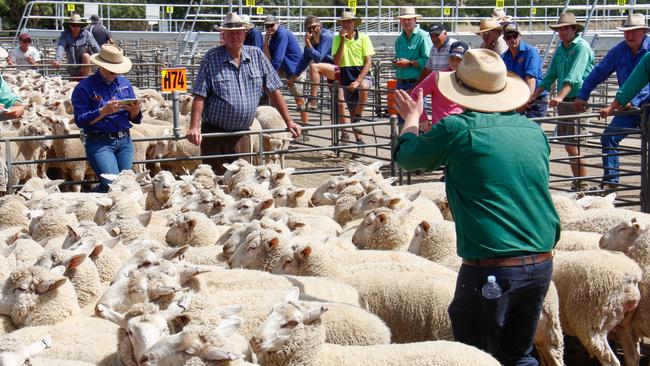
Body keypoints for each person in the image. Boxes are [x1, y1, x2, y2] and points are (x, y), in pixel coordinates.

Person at [393, 48, 559, 366]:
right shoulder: (533, 131)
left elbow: (408, 156)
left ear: (460, 88)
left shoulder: (457, 128)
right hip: (539, 262)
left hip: (492, 265)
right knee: (518, 354)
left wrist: (412, 119)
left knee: (475, 357)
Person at [187, 12, 301, 175]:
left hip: (242, 133)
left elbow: (274, 90)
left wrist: (289, 121)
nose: (235, 36)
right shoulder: (211, 58)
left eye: (239, 32)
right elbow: (200, 95)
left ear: (245, 33)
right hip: (215, 133)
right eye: (230, 33)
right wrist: (194, 127)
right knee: (214, 184)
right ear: (223, 35)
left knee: (243, 182)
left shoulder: (257, 56)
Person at [575, 14, 650, 191]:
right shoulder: (619, 51)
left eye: (633, 32)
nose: (629, 36)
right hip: (627, 109)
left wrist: (633, 99)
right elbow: (599, 72)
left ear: (643, 32)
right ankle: (611, 183)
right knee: (609, 137)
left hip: (644, 106)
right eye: (626, 32)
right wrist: (583, 94)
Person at [530, 13, 595, 192]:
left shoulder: (581, 48)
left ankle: (583, 184)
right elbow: (550, 75)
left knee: (574, 144)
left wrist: (558, 96)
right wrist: (534, 95)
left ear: (574, 29)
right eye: (560, 29)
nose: (562, 32)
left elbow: (573, 77)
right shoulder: (561, 48)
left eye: (566, 28)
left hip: (578, 101)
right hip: (566, 101)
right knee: (569, 145)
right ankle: (579, 182)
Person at [71, 44, 141, 193]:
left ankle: (90, 204)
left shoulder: (125, 84)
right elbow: (80, 120)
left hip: (124, 140)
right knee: (112, 185)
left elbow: (134, 118)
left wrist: (135, 111)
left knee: (125, 186)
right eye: (111, 70)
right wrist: (103, 111)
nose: (115, 74)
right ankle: (85, 204)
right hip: (99, 141)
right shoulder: (84, 87)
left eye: (117, 71)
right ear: (101, 66)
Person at [332, 11, 375, 146]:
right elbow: (337, 62)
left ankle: (359, 117)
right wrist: (343, 42)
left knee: (364, 87)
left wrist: (358, 79)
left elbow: (368, 62)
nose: (346, 24)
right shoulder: (337, 39)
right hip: (346, 74)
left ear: (354, 23)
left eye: (349, 21)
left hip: (361, 72)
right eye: (344, 21)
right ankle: (359, 140)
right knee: (351, 108)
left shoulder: (364, 38)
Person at [262, 15, 310, 129]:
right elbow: (268, 58)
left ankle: (306, 127)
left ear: (277, 23)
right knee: (274, 94)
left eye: (271, 25)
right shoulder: (272, 37)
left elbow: (278, 57)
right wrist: (265, 42)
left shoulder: (282, 34)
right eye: (267, 26)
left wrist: (270, 74)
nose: (269, 28)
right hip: (284, 69)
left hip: (295, 70)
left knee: (299, 98)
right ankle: (279, 124)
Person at [410, 40, 467, 132]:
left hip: (463, 128)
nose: (455, 62)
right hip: (442, 129)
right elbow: (415, 94)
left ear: (465, 60)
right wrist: (423, 119)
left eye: (459, 59)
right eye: (452, 58)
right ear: (448, 58)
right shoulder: (437, 76)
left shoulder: (470, 79)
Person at [393, 6, 432, 124]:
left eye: (409, 19)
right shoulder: (399, 40)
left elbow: (428, 61)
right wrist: (397, 62)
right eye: (404, 19)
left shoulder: (423, 36)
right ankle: (406, 141)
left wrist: (409, 63)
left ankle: (414, 141)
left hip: (416, 83)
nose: (406, 22)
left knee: (417, 118)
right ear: (400, 21)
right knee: (402, 118)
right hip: (401, 83)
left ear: (415, 20)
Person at [500, 22, 547, 118]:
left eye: (515, 35)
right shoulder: (504, 56)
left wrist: (525, 102)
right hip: (517, 100)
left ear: (520, 36)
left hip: (533, 100)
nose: (512, 39)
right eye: (508, 37)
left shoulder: (530, 52)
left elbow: (530, 78)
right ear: (504, 39)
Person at [292, 15, 334, 111]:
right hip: (329, 70)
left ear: (320, 26)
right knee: (338, 103)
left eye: (314, 27)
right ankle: (340, 125)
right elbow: (304, 60)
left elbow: (318, 58)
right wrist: (293, 77)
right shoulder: (311, 40)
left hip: (339, 68)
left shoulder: (327, 36)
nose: (313, 30)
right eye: (309, 28)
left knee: (314, 66)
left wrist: (308, 43)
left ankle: (313, 101)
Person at [53, 14, 100, 78]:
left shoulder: (87, 34)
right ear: (70, 26)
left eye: (78, 25)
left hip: (85, 68)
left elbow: (95, 47)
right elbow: (61, 47)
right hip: (72, 68)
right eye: (73, 25)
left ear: (81, 26)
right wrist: (57, 60)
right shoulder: (65, 35)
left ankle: (85, 81)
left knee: (86, 56)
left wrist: (102, 60)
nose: (76, 28)